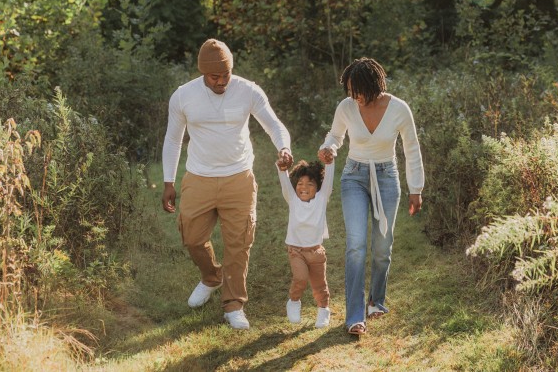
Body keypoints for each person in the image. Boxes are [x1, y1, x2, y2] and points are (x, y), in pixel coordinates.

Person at [162, 38, 293, 330]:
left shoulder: (248, 90)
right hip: (199, 176)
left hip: (239, 177)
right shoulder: (183, 96)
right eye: (214, 77)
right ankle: (211, 277)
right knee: (192, 237)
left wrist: (284, 147)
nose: (221, 81)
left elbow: (273, 124)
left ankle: (233, 304)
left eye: (226, 75)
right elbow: (173, 139)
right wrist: (168, 181)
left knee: (239, 243)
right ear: (202, 72)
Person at [317, 57, 424, 336]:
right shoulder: (347, 106)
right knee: (356, 245)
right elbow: (335, 136)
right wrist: (328, 148)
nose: (356, 97)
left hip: (387, 178)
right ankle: (354, 316)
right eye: (351, 91)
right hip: (353, 176)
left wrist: (416, 188)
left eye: (360, 91)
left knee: (382, 247)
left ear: (375, 85)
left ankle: (376, 301)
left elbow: (411, 148)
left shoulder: (399, 109)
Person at [275, 158, 335, 329]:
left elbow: (329, 180)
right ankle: (294, 301)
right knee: (300, 278)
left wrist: (330, 162)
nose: (304, 188)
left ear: (318, 187)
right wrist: (281, 169)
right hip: (296, 251)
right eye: (300, 183)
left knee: (320, 286)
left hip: (316, 251)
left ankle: (323, 310)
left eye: (310, 184)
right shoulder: (292, 200)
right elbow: (285, 183)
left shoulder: (322, 199)